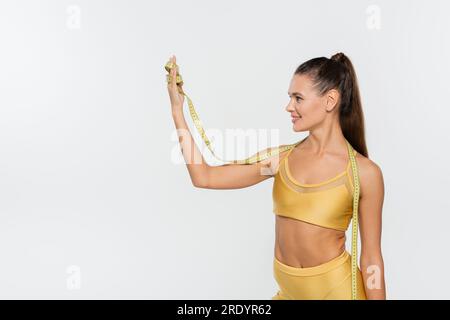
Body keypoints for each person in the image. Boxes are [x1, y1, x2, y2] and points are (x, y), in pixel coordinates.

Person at [167, 53, 386, 300]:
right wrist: (178, 112)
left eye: (298, 98)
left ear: (330, 101)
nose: (289, 107)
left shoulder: (364, 174)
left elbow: (371, 259)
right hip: (289, 294)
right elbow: (204, 177)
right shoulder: (279, 162)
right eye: (290, 98)